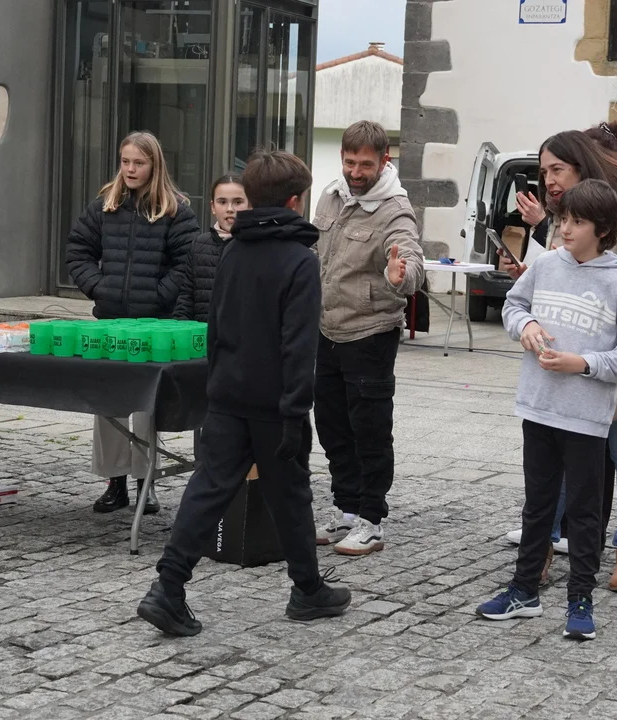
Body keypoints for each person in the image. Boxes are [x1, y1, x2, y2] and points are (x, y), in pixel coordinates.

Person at [138, 149, 351, 636]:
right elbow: (298, 347)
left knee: (208, 489)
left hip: (228, 395)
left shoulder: (233, 250)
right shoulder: (300, 261)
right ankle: (307, 590)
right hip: (275, 405)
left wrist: (216, 386)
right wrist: (295, 412)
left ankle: (168, 586)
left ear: (251, 198)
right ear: (295, 201)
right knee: (290, 495)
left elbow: (216, 328)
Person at [502, 128, 617, 592]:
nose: (548, 180)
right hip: (569, 353)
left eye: (556, 170)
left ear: (582, 164)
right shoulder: (566, 208)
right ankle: (542, 547)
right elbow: (561, 263)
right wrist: (543, 273)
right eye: (544, 171)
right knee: (563, 454)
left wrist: (579, 280)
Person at [476, 179, 617, 641]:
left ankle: (580, 598)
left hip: (586, 417)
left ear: (603, 229)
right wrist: (526, 325)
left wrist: (584, 364)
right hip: (538, 406)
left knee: (585, 512)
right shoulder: (546, 264)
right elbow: (514, 304)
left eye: (577, 222)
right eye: (564, 219)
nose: (566, 228)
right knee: (538, 504)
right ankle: (524, 590)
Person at [66, 131, 199, 513]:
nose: (130, 169)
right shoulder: (105, 206)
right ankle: (115, 483)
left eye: (138, 162)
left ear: (154, 165)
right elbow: (78, 250)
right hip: (110, 323)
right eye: (125, 161)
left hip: (153, 326)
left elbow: (186, 262)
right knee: (108, 405)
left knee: (144, 411)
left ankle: (146, 483)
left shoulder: (175, 210)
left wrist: (157, 295)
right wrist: (99, 288)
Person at [312, 120, 424, 556]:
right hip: (327, 330)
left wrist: (401, 276)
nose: (356, 172)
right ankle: (346, 511)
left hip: (370, 334)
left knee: (370, 430)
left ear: (384, 161)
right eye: (349, 162)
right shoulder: (331, 195)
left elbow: (410, 260)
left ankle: (371, 520)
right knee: (332, 427)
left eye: (365, 164)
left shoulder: (395, 209)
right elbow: (318, 252)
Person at [173, 174, 248, 323]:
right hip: (203, 334)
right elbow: (186, 299)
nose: (230, 209)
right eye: (222, 202)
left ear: (250, 205)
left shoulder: (257, 247)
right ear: (213, 207)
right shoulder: (199, 245)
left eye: (238, 202)